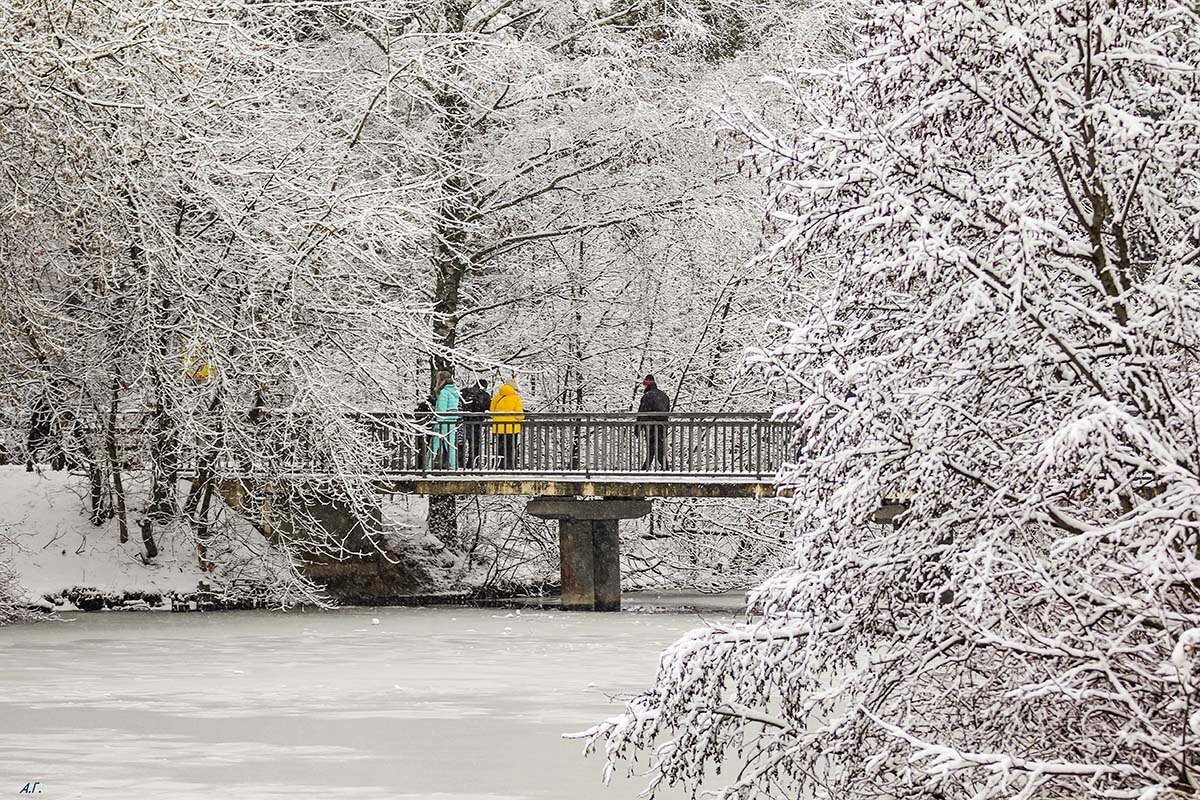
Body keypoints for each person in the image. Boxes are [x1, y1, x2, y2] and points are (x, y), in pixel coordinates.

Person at [636, 374, 671, 470]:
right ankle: (659, 467)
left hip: (650, 426)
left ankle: (663, 468)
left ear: (647, 385)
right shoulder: (664, 396)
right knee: (659, 447)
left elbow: (642, 412)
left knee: (652, 447)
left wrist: (638, 427)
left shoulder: (647, 396)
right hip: (662, 426)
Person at [428, 371, 461, 470]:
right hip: (451, 421)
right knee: (450, 445)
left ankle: (428, 465)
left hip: (442, 422)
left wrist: (437, 422)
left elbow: (441, 410)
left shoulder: (443, 393)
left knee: (434, 445)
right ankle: (453, 465)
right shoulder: (454, 392)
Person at [489, 381, 524, 470]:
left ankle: (501, 466)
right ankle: (510, 466)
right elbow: (519, 415)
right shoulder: (516, 398)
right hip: (511, 428)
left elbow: (492, 414)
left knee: (500, 448)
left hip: (498, 427)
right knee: (511, 448)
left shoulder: (496, 398)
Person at [458, 379, 492, 468]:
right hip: (476, 423)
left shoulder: (464, 392)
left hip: (462, 422)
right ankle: (472, 464)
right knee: (474, 445)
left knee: (460, 443)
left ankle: (459, 463)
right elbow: (488, 408)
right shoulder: (485, 395)